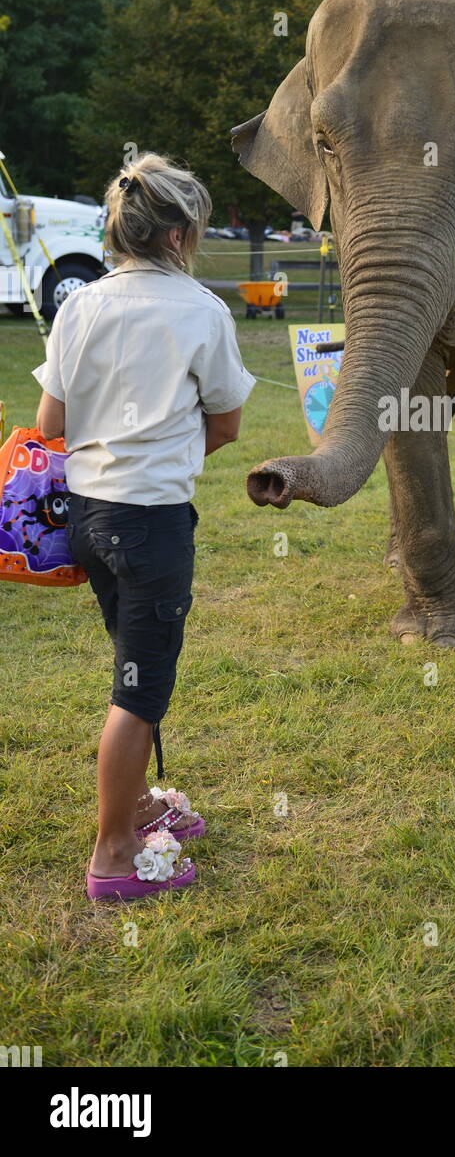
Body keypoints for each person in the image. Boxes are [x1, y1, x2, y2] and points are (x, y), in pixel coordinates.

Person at [32, 153, 257, 898]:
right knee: (139, 691)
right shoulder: (200, 310)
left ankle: (132, 806)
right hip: (151, 522)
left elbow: (49, 422)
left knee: (131, 667)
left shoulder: (79, 305)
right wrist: (171, 447)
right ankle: (115, 855)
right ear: (177, 234)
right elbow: (224, 421)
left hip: (87, 517)